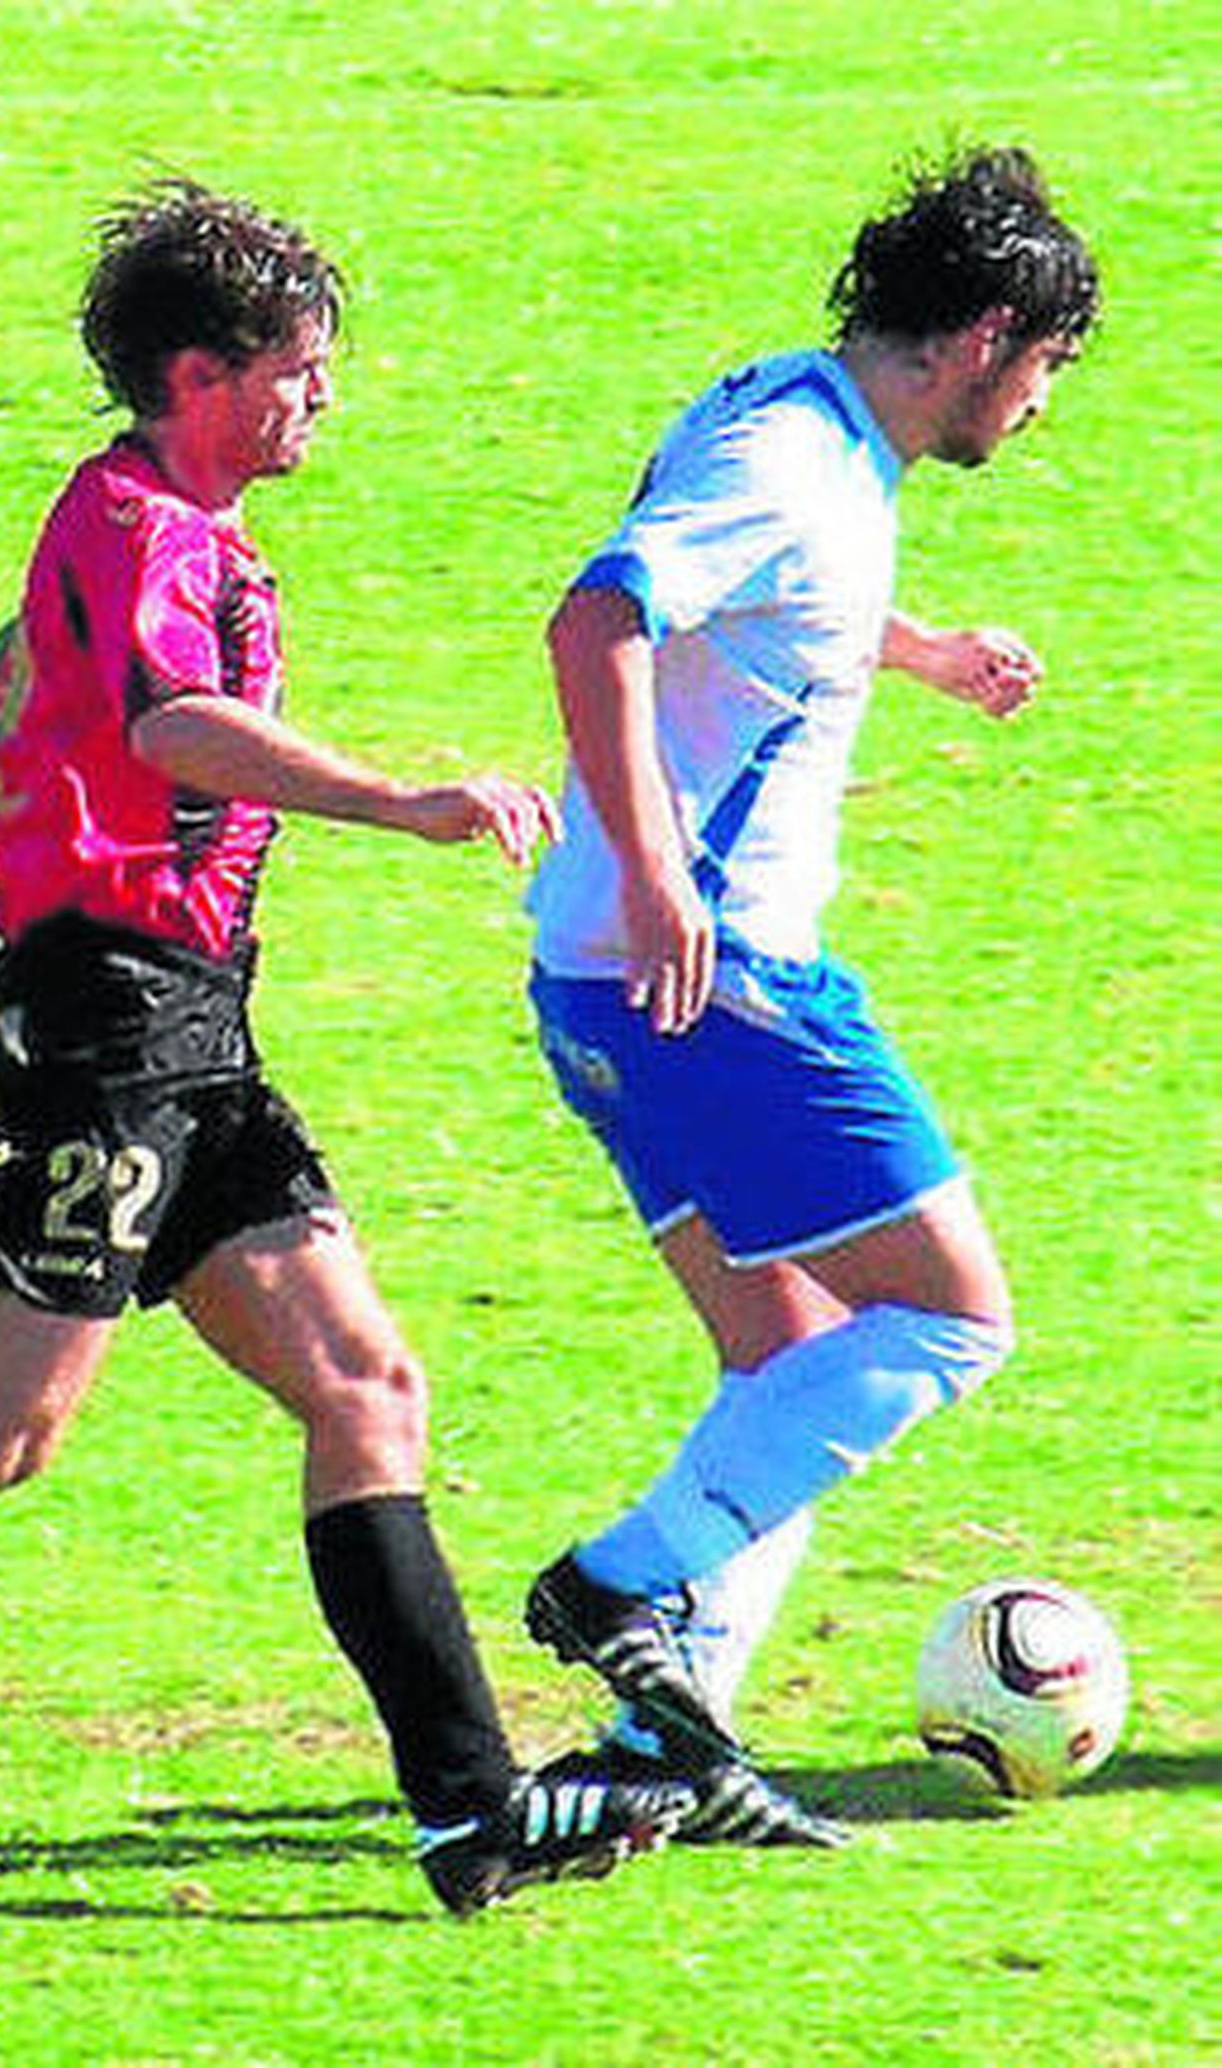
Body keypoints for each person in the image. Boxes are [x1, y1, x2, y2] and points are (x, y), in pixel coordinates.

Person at [0, 178, 687, 1914]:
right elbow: (172, 725)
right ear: (202, 374)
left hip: (182, 1024)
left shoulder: (153, 529)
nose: (323, 396)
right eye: (299, 367)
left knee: (366, 1386)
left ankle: (470, 1811)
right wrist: (388, 806)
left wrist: (39, 861)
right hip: (111, 1037)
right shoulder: (141, 531)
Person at [519, 146, 1101, 1843]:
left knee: (789, 1348)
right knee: (950, 1315)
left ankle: (660, 1748)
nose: (1040, 407)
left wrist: (918, 653)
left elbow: (762, 597)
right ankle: (622, 1585)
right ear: (988, 333)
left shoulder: (793, 416)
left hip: (602, 987)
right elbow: (599, 621)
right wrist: (654, 873)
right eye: (1046, 368)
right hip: (720, 979)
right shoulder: (790, 460)